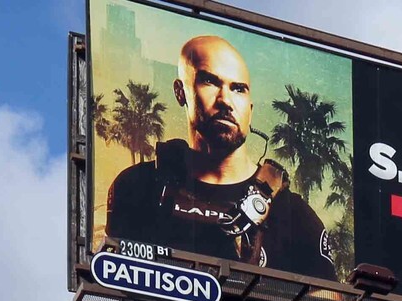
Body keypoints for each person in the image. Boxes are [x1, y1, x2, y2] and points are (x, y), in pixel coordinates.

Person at [103, 33, 335, 276]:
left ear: (250, 109)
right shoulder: (137, 186)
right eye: (210, 82)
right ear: (180, 92)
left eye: (238, 89)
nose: (225, 100)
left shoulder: (292, 212)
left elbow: (328, 300)